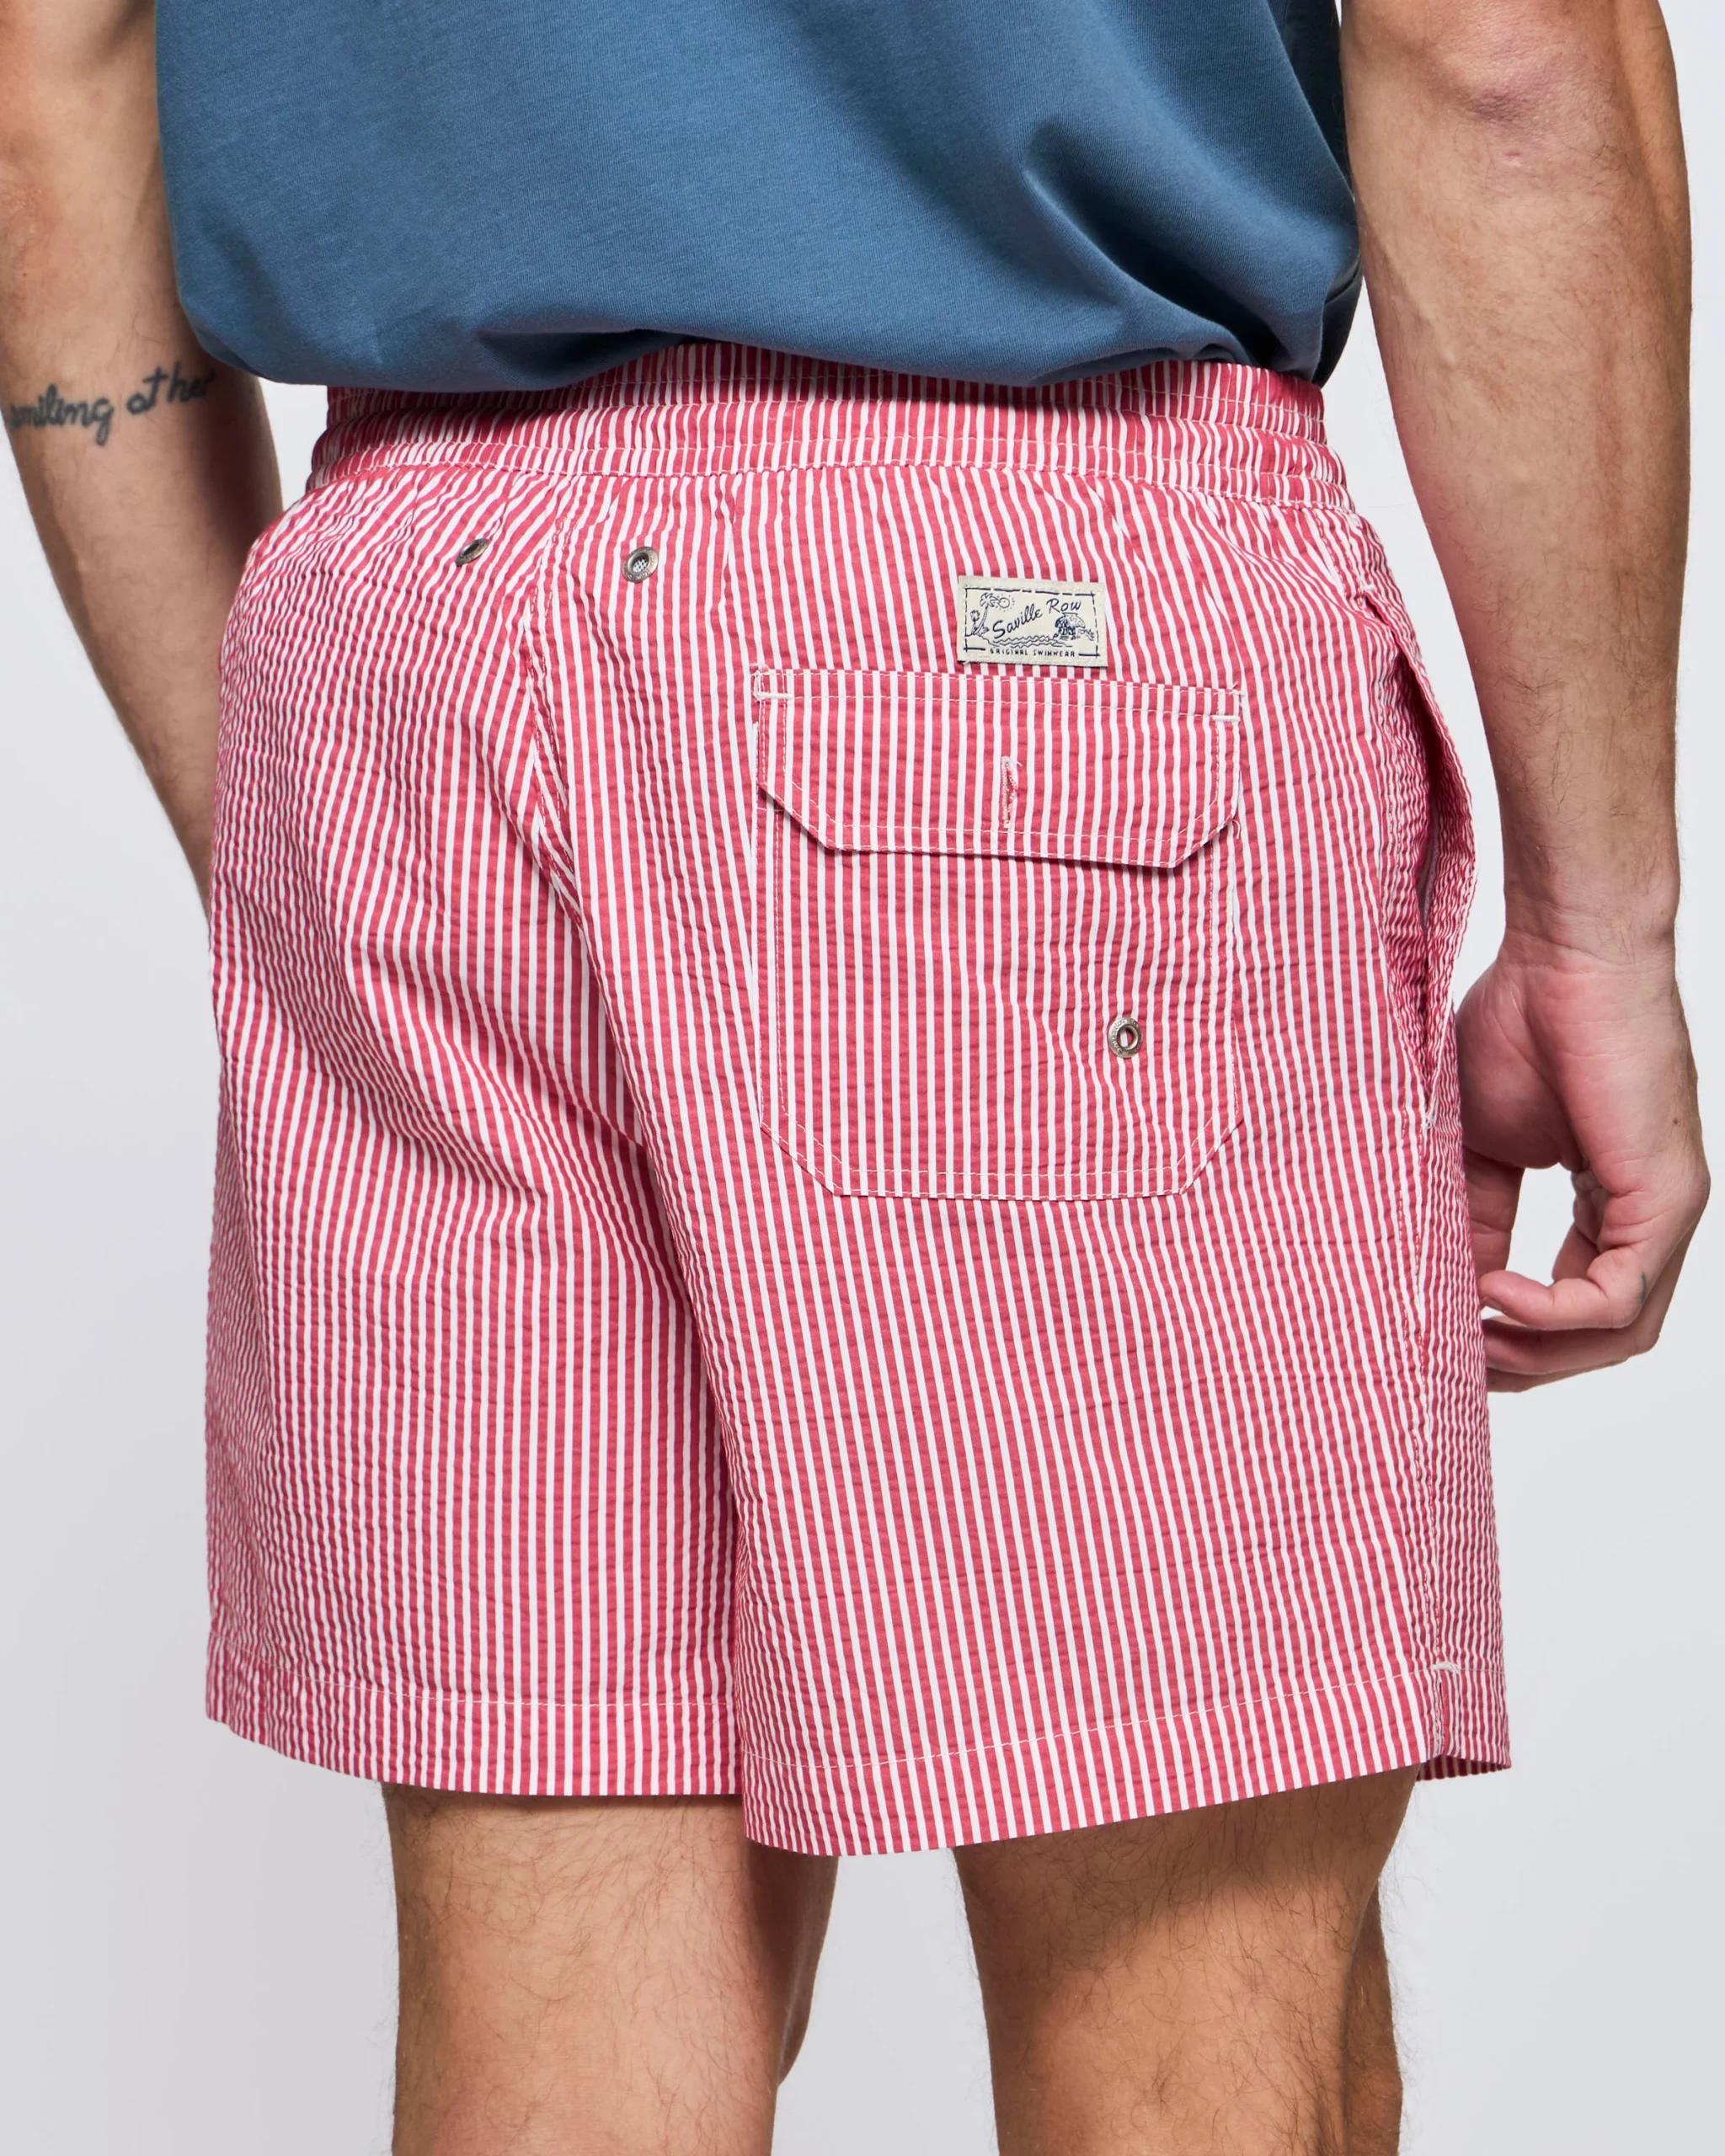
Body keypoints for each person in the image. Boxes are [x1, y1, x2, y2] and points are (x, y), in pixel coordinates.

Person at [0, 1, 1707, 2148]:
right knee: (1194, 2001)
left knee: (561, 2001)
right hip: (1025, 628)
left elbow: (52, 76)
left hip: (403, 641)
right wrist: (1593, 919)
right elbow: (1497, 50)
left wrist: (296, 849)